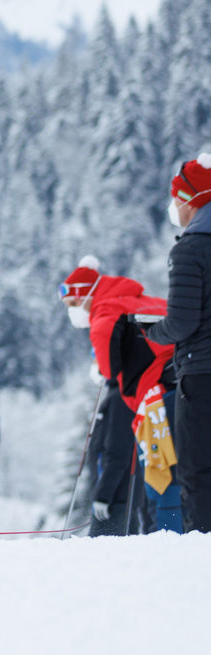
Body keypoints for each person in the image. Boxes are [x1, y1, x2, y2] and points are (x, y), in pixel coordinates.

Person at [59, 255, 181, 533]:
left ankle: (166, 538)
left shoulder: (107, 308)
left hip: (156, 397)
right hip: (183, 386)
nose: (74, 312)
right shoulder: (144, 302)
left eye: (74, 304)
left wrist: (104, 368)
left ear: (86, 295)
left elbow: (106, 357)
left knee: (160, 477)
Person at [146, 153, 211, 533]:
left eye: (176, 198)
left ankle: (201, 551)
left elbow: (183, 321)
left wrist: (153, 333)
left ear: (191, 200)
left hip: (202, 374)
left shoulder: (189, 249)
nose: (174, 208)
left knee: (198, 470)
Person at [86, 378, 143, 536]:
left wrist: (103, 495)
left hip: (115, 500)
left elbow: (118, 451)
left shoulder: (119, 398)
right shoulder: (117, 395)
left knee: (100, 555)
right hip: (120, 497)